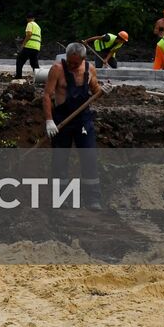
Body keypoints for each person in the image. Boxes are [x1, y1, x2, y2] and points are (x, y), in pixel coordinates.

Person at [43, 42, 103, 210]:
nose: (71, 65)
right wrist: (49, 121)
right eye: (69, 61)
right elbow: (47, 95)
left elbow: (96, 90)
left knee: (89, 157)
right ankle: (62, 198)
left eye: (75, 63)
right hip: (62, 119)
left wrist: (103, 91)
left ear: (83, 59)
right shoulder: (57, 69)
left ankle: (92, 199)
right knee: (60, 160)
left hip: (83, 120)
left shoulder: (89, 70)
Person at [15, 14, 42, 80]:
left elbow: (29, 34)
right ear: (34, 18)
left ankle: (18, 77)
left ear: (27, 19)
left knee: (19, 60)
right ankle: (39, 78)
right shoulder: (38, 26)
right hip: (36, 47)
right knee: (34, 64)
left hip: (29, 46)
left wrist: (23, 44)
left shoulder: (30, 24)